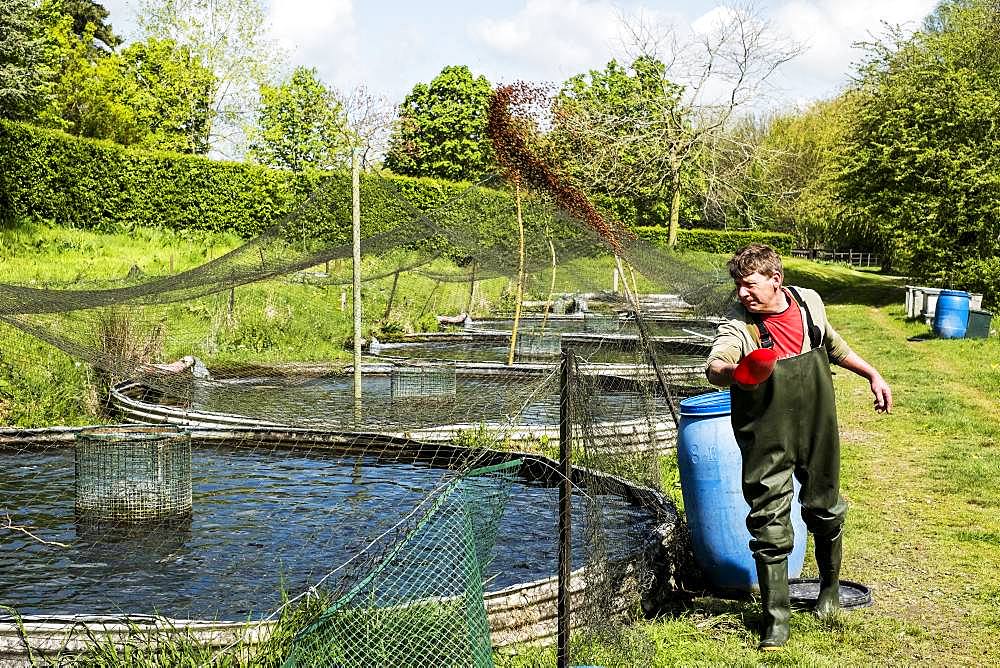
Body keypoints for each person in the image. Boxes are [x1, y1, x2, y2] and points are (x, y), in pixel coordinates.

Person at [705, 244, 892, 651]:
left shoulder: (808, 303)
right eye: (737, 285)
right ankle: (776, 620)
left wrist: (872, 374)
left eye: (749, 284)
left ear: (776, 279)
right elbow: (715, 366)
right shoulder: (741, 326)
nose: (742, 294)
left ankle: (828, 591)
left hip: (816, 426)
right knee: (768, 520)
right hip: (766, 438)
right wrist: (736, 371)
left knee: (824, 507)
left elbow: (834, 346)